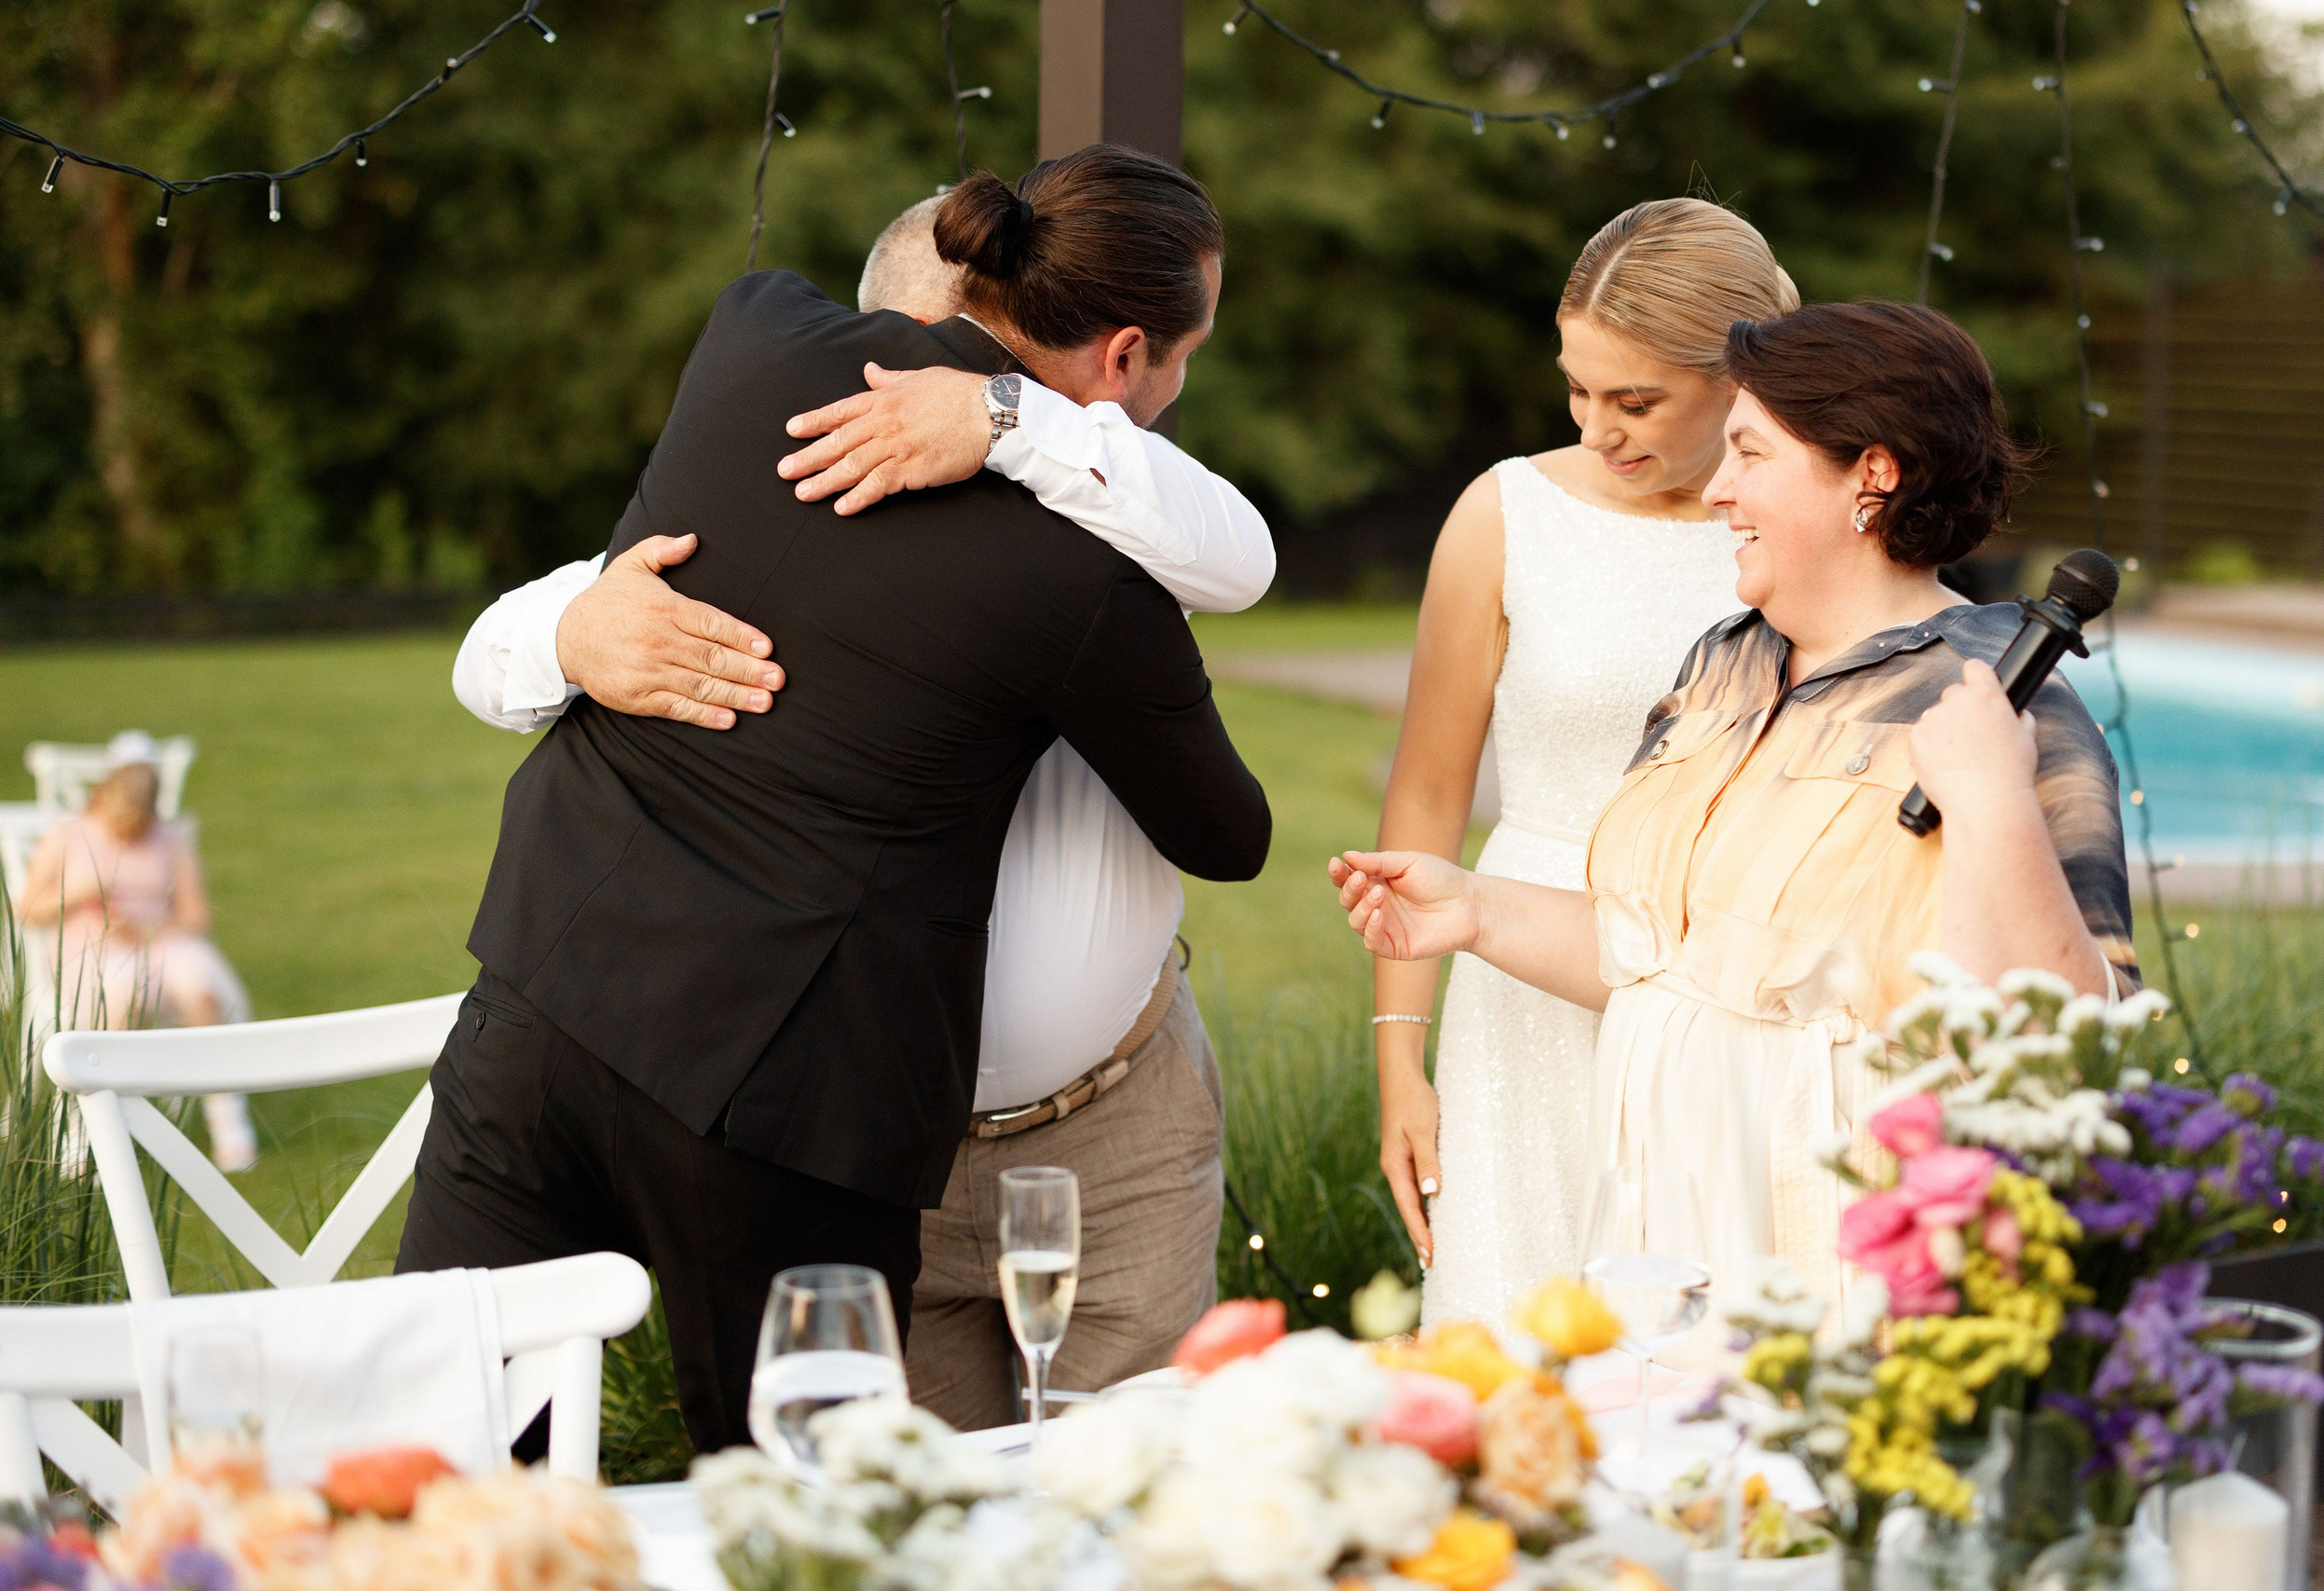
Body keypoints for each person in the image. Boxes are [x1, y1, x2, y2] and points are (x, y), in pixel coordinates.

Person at [396, 144, 1272, 1455]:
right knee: (806, 1498)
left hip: (544, 1001)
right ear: (1129, 354)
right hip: (789, 1093)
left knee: (448, 1453)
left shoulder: (750, 340)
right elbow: (1230, 831)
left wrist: (1003, 423)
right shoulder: (1088, 589)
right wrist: (576, 628)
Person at [1332, 301, 2136, 1342]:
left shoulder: (2001, 705)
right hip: (1653, 1255)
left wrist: (1991, 803)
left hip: (1830, 1273)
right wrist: (1473, 911)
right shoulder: (1722, 664)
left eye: (1750, 452)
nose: (1716, 489)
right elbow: (1655, 958)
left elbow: (2078, 1047)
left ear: (1870, 476)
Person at [1372, 199, 1791, 1328]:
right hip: (1514, 1002)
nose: (1598, 427)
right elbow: (1423, 797)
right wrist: (1399, 1061)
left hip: (1721, 988)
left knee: (1707, 1365)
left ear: (1741, 372)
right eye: (1577, 389)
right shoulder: (1505, 514)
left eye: (1636, 399)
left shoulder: (1797, 529)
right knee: (1512, 1358)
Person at [20, 733, 257, 1172]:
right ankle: (102, 1122)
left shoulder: (170, 839)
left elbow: (196, 917)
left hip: (160, 941)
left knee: (200, 988)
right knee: (124, 993)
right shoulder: (69, 834)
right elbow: (29, 908)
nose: (129, 833)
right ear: (103, 796)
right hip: (90, 947)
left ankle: (227, 1117)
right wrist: (81, 890)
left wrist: (148, 926)